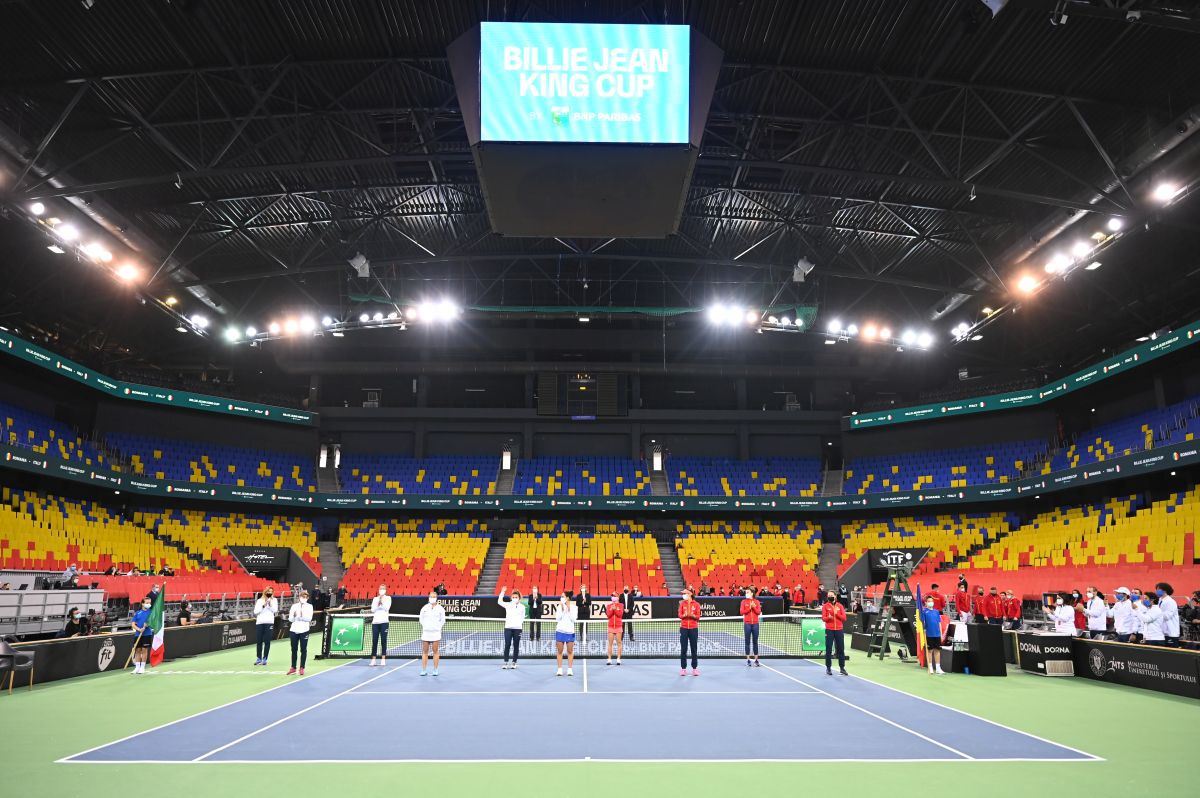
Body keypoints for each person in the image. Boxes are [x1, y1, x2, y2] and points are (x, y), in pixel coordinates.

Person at [419, 591, 446, 676]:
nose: (432, 598)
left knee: (435, 651)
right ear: (428, 597)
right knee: (425, 652)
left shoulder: (440, 609)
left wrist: (437, 628)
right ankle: (424, 670)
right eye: (431, 596)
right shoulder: (424, 608)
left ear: (436, 598)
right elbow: (421, 619)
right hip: (426, 633)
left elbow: (443, 620)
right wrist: (426, 627)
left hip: (436, 633)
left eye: (434, 597)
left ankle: (435, 670)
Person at [287, 589, 313, 675]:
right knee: (294, 649)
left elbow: (309, 619)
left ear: (307, 598)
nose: (304, 598)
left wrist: (301, 617)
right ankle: (293, 667)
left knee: (303, 649)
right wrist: (294, 617)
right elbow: (290, 619)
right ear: (299, 597)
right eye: (302, 596)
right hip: (294, 630)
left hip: (304, 630)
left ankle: (302, 667)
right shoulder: (294, 606)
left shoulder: (310, 606)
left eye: (305, 597)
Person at [498, 586, 525, 669]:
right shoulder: (508, 605)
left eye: (516, 597)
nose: (514, 598)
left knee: (516, 645)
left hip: (518, 629)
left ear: (519, 598)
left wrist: (518, 624)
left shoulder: (522, 607)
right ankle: (505, 662)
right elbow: (499, 601)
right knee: (507, 644)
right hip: (508, 628)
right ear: (511, 598)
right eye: (513, 597)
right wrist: (502, 592)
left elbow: (522, 618)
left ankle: (514, 662)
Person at [822, 589, 848, 676]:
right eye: (828, 596)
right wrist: (828, 617)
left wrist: (836, 614)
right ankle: (828, 668)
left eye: (831, 595)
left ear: (835, 596)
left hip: (839, 630)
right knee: (828, 649)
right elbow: (823, 618)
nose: (830, 597)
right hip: (829, 630)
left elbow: (844, 618)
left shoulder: (840, 606)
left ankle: (842, 668)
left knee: (841, 649)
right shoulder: (825, 606)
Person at [919, 595, 945, 675]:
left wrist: (941, 634)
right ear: (926, 603)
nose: (931, 603)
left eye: (931, 601)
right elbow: (922, 623)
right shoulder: (924, 612)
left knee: (937, 651)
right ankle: (930, 667)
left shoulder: (936, 612)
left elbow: (939, 623)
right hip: (929, 635)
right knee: (930, 651)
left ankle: (938, 668)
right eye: (929, 601)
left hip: (937, 634)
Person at [678, 587, 701, 676]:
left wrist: (692, 615)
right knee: (683, 649)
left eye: (685, 593)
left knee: (694, 649)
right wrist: (684, 615)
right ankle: (683, 669)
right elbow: (680, 615)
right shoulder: (682, 604)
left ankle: (694, 669)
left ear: (690, 594)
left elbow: (698, 617)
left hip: (693, 629)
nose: (683, 595)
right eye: (683, 594)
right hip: (683, 628)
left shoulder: (696, 604)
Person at [130, 595, 155, 674]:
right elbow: (133, 624)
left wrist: (148, 624)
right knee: (137, 650)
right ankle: (137, 667)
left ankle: (142, 667)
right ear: (143, 604)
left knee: (144, 650)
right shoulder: (138, 613)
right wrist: (139, 629)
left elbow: (153, 623)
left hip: (147, 634)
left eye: (149, 603)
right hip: (138, 634)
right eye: (147, 603)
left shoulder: (151, 612)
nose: (149, 604)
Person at [253, 587, 278, 666]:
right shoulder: (260, 600)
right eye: (268, 591)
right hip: (260, 622)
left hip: (269, 622)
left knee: (267, 641)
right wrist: (263, 606)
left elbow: (275, 610)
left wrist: (270, 605)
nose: (269, 593)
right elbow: (255, 612)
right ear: (265, 592)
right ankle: (259, 658)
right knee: (259, 641)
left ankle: (265, 658)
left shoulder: (274, 600)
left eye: (271, 592)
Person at [555, 591, 577, 677]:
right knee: (560, 651)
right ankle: (560, 669)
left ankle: (570, 669)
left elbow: (574, 619)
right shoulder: (559, 607)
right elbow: (557, 618)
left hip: (570, 632)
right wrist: (562, 609)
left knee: (570, 651)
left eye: (562, 596)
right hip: (560, 631)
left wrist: (569, 609)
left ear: (567, 598)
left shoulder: (574, 607)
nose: (561, 598)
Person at [368, 584, 391, 667]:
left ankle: (383, 659)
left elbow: (387, 608)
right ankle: (373, 660)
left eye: (383, 588)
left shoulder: (388, 598)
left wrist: (382, 603)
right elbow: (372, 609)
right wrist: (378, 603)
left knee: (383, 640)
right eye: (381, 588)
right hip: (375, 623)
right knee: (374, 641)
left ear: (385, 590)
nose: (382, 590)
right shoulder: (375, 599)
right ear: (378, 589)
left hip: (384, 622)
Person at [740, 587, 762, 667]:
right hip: (747, 624)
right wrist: (750, 607)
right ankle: (748, 660)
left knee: (755, 642)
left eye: (748, 592)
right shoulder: (743, 602)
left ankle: (756, 660)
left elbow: (758, 612)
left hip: (755, 624)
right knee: (747, 642)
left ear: (752, 593)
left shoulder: (757, 602)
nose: (746, 594)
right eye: (746, 592)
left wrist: (754, 607)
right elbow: (742, 612)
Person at [1156, 582, 1180, 647]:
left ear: (1164, 590)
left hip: (1170, 633)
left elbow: (1167, 616)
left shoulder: (1171, 601)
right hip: (1161, 632)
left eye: (1158, 589)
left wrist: (1155, 614)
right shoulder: (1159, 600)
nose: (1156, 591)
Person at [605, 590, 624, 666]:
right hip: (611, 626)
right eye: (612, 596)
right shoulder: (608, 606)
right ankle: (609, 659)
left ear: (618, 597)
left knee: (619, 643)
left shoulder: (621, 605)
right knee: (610, 643)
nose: (613, 597)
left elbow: (620, 615)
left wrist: (615, 609)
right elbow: (608, 615)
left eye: (614, 596)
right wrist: (612, 609)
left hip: (618, 626)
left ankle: (618, 659)